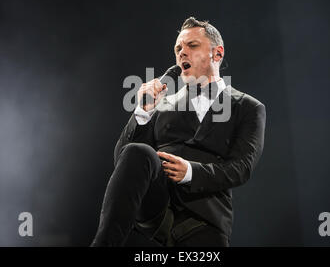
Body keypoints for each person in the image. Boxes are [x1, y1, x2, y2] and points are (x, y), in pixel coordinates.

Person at [91, 17, 266, 247]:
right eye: (178, 48)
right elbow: (124, 160)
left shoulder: (248, 107)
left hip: (205, 221)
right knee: (138, 151)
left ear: (217, 53)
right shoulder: (162, 105)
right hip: (158, 215)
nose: (182, 52)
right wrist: (142, 112)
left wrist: (190, 172)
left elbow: (241, 168)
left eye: (192, 45)